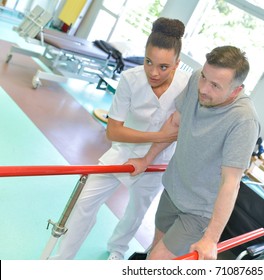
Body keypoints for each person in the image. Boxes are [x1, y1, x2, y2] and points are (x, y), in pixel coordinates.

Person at [49, 17, 190, 260]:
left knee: (136, 211)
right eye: (148, 62)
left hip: (157, 161)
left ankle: (117, 249)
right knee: (84, 204)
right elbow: (113, 131)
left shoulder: (186, 85)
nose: (154, 72)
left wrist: (151, 153)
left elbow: (178, 128)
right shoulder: (130, 79)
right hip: (121, 153)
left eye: (164, 67)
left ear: (177, 64)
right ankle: (63, 259)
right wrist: (158, 135)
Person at [126, 45, 261, 260]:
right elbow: (175, 123)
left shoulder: (243, 121)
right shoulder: (198, 79)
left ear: (236, 90)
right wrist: (146, 159)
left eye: (215, 85)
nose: (204, 88)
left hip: (199, 210)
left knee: (155, 262)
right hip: (173, 190)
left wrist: (211, 239)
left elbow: (231, 182)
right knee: (155, 250)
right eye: (205, 78)